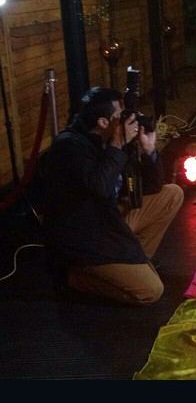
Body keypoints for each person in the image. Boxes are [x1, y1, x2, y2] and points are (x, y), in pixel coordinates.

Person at [38, 87, 184, 305]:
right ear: (103, 122)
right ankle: (74, 278)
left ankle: (133, 265)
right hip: (85, 236)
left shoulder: (111, 139)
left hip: (108, 219)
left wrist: (149, 151)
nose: (127, 120)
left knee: (172, 194)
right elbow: (99, 186)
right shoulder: (69, 147)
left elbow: (152, 187)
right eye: (120, 115)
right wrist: (117, 145)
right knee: (151, 291)